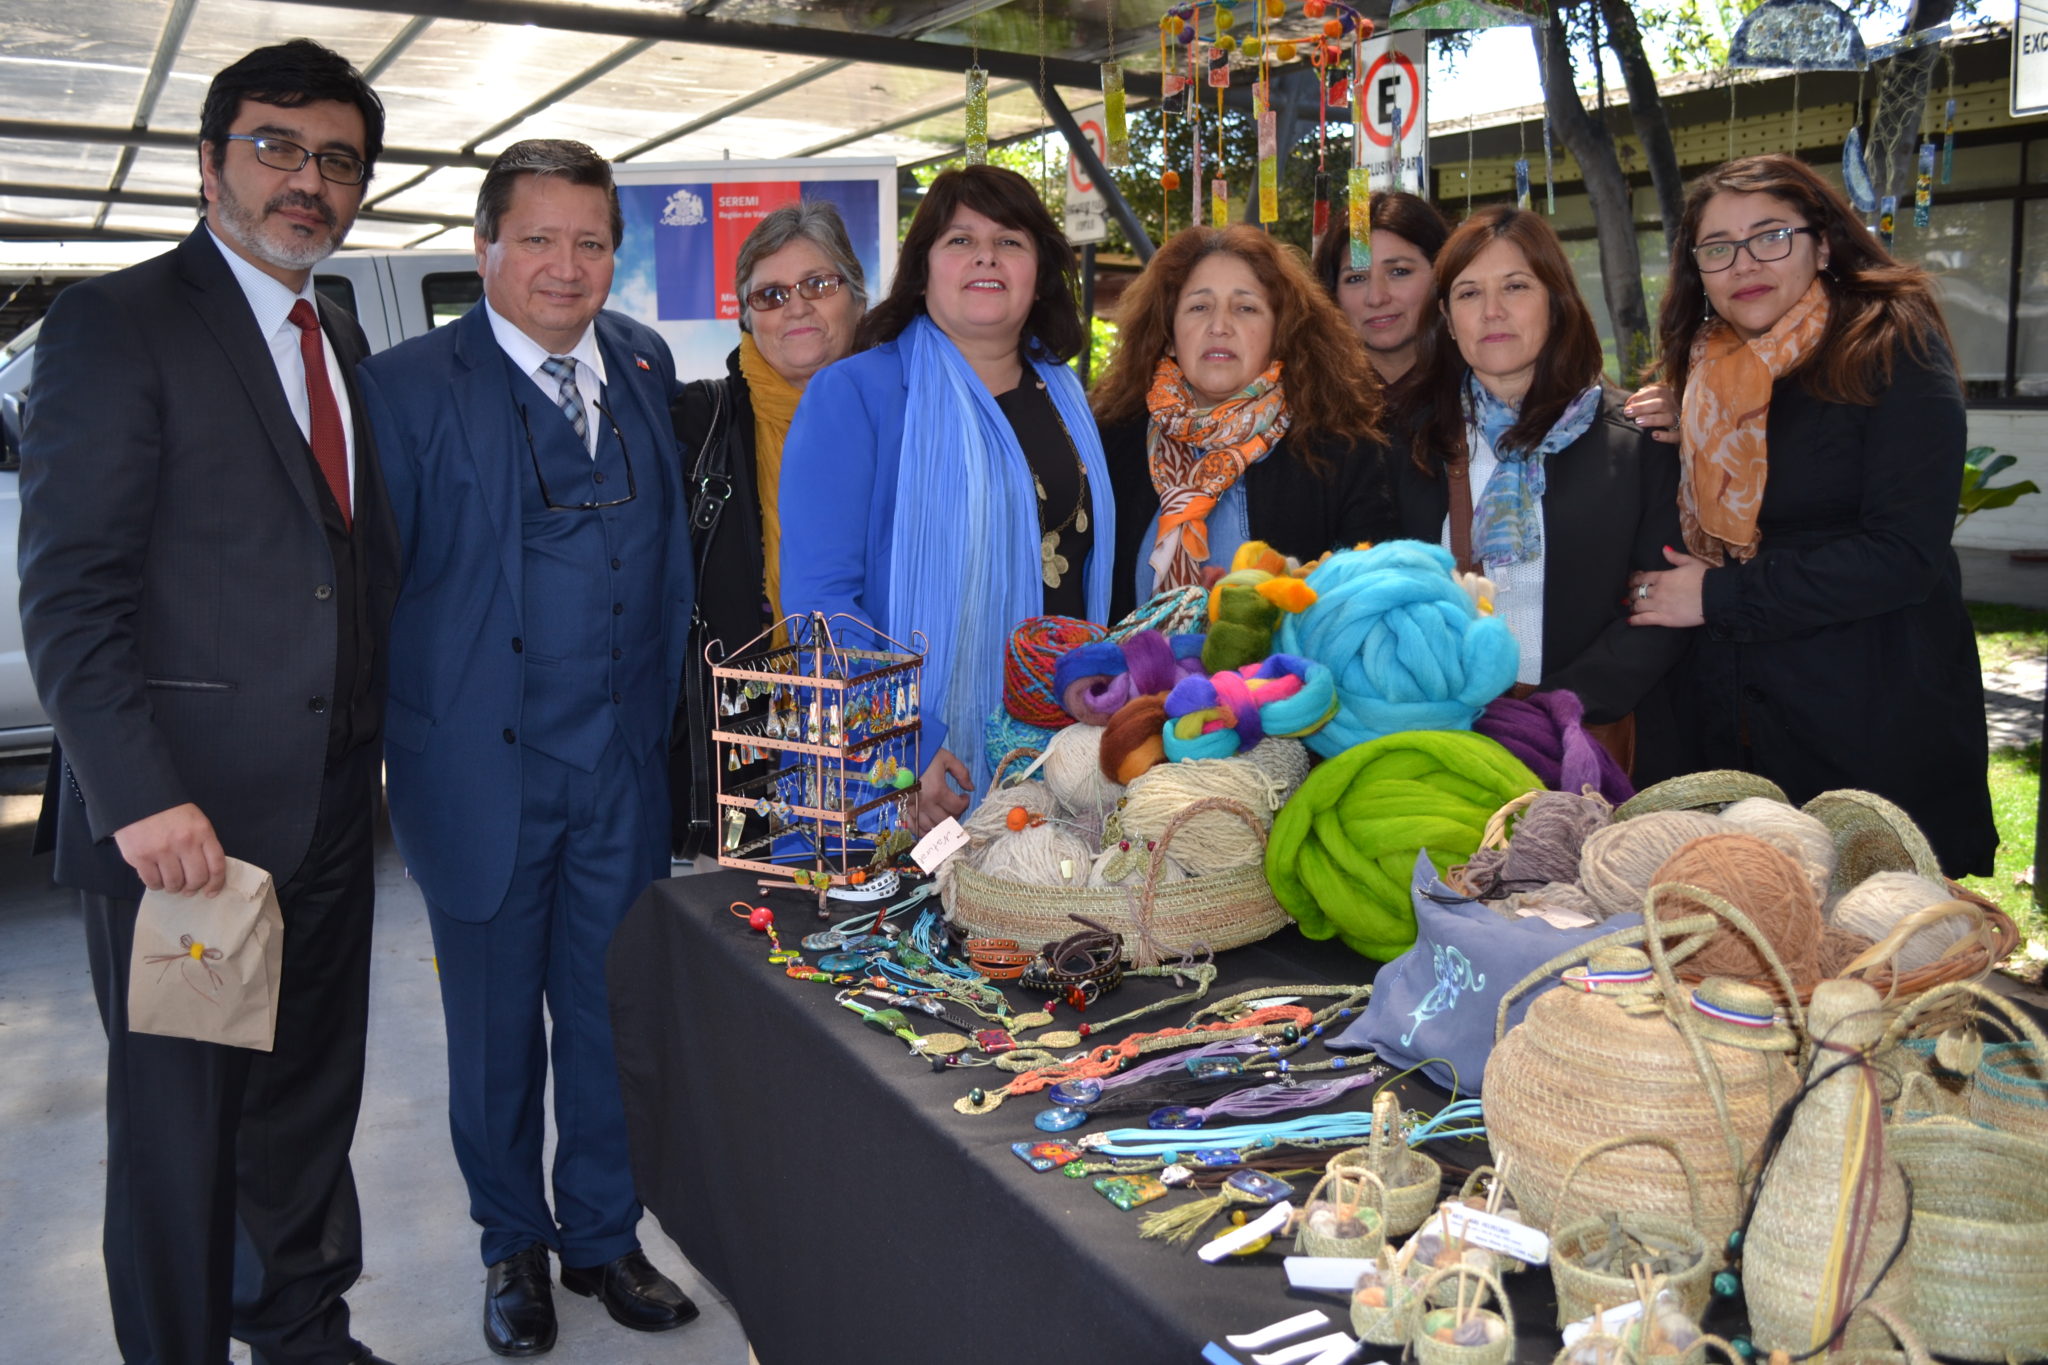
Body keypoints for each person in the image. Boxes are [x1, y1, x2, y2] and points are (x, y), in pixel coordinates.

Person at [17, 40, 399, 1365]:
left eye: (337, 158)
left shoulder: (338, 330)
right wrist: (142, 798)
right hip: (195, 840)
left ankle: (298, 1331)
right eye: (278, 147)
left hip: (335, 818)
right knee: (185, 1138)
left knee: (303, 1111)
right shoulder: (118, 324)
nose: (309, 179)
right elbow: (71, 593)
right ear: (210, 162)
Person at [357, 140, 699, 1357]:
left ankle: (602, 1236)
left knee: (610, 1014)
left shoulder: (645, 361)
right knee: (497, 1030)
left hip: (616, 762)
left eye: (591, 241)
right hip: (479, 769)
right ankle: (511, 1243)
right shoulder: (400, 387)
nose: (566, 266)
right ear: (485, 248)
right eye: (540, 239)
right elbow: (365, 591)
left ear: (616, 252)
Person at [1626, 154, 1996, 875]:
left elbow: (1904, 554)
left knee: (1876, 958)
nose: (1745, 263)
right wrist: (1700, 418)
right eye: (1718, 248)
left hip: (1863, 718)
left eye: (1771, 235)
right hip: (1734, 723)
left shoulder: (1892, 345)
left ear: (1822, 244)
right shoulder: (1704, 375)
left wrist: (1716, 594)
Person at [780, 164, 1115, 833]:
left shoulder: (1071, 399)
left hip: (1062, 766)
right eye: (960, 240)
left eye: (1011, 241)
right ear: (923, 269)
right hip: (908, 774)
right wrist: (905, 739)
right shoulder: (855, 394)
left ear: (1040, 271)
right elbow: (820, 606)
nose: (986, 254)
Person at [1396, 205, 1689, 776]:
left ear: (1556, 302)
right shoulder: (1409, 445)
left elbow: (1660, 606)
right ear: (1447, 321)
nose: (1492, 312)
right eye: (1469, 294)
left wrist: (1551, 712)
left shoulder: (1637, 442)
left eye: (1516, 286)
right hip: (1444, 743)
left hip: (1591, 740)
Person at [668, 201, 866, 861]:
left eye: (819, 284)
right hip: (751, 734)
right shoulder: (695, 422)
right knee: (759, 939)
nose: (798, 307)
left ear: (857, 296)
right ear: (747, 316)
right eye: (773, 294)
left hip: (886, 724)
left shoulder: (905, 411)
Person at [1092, 224, 1400, 621]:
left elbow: (1370, 605)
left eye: (1246, 308)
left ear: (1279, 333)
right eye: (1199, 307)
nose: (1219, 326)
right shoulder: (1111, 447)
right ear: (1169, 335)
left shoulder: (1342, 453)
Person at [1311, 190, 1454, 390]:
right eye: (1356, 278)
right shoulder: (1303, 401)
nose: (1376, 298)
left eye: (1399, 272)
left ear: (1440, 274)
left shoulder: (1483, 395)